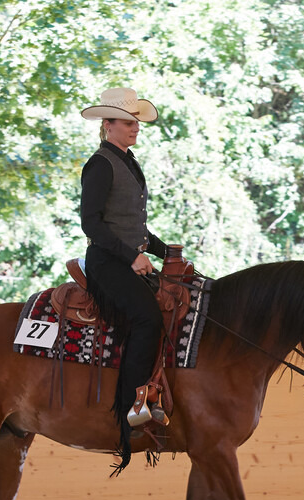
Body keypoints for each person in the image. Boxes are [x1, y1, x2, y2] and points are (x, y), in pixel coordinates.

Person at [79, 87, 167, 449]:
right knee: (147, 319)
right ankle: (131, 411)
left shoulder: (127, 160)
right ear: (108, 125)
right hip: (107, 262)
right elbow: (92, 223)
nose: (136, 128)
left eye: (136, 122)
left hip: (129, 259)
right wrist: (132, 256)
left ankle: (159, 394)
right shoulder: (100, 164)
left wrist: (168, 252)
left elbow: (133, 226)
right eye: (128, 122)